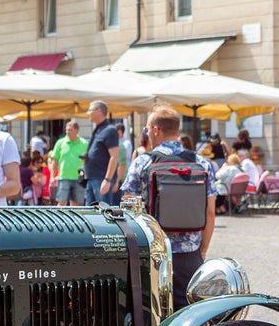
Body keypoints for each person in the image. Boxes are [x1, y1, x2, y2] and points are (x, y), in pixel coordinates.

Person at [122, 105, 217, 310]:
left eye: (147, 129)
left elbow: (128, 209)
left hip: (152, 251)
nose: (146, 134)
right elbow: (210, 212)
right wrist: (202, 251)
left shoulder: (142, 163)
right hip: (190, 253)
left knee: (151, 313)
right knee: (190, 312)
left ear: (156, 130)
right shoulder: (202, 163)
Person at [85, 101, 121, 205]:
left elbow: (114, 156)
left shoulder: (109, 130)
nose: (88, 113)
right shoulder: (98, 129)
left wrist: (107, 180)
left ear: (99, 111)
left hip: (101, 178)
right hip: (92, 178)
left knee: (104, 213)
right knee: (89, 213)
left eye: (90, 110)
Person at [49, 120, 88, 205]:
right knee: (61, 202)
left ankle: (75, 219)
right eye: (66, 130)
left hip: (79, 178)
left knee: (76, 203)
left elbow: (88, 160)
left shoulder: (84, 143)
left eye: (70, 130)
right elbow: (54, 160)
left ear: (77, 130)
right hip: (63, 177)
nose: (67, 132)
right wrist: (52, 176)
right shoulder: (60, 142)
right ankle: (59, 218)